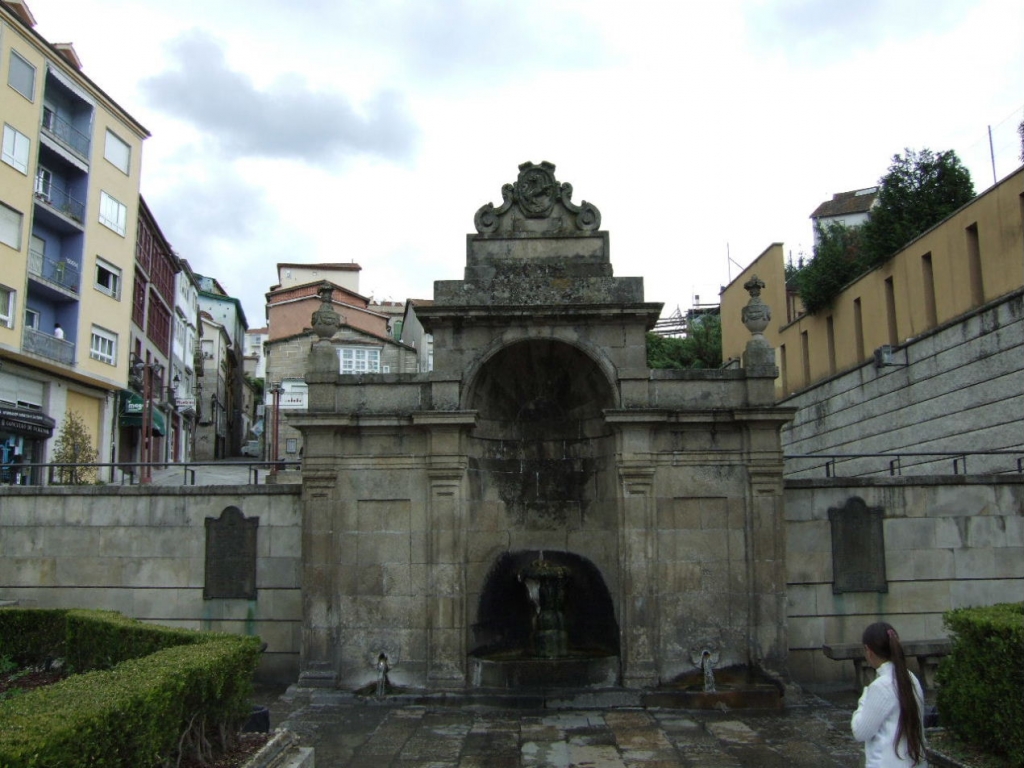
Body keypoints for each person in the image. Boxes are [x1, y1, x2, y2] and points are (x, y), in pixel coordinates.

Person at [852, 622, 928, 767]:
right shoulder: (911, 678)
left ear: (868, 651)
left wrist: (864, 698)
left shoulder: (880, 686)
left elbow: (860, 732)